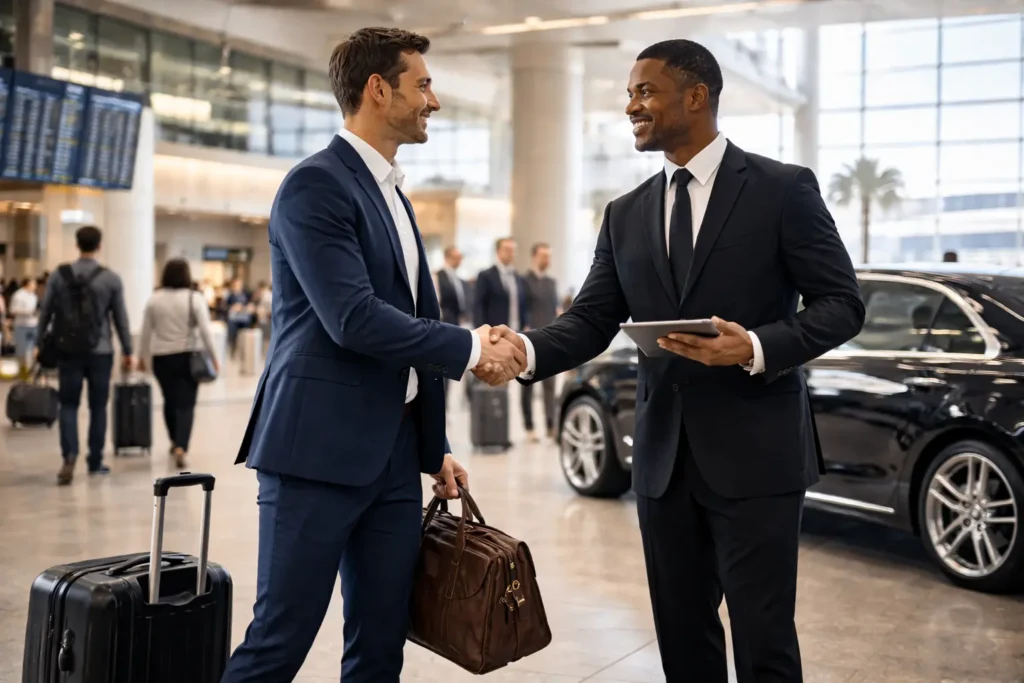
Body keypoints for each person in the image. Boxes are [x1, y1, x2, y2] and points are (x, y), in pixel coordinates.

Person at [486, 40, 865, 683]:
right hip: (662, 464)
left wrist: (756, 346)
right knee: (682, 642)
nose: (630, 105)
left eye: (644, 91)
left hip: (757, 459)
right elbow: (591, 318)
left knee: (764, 641)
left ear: (696, 96)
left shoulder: (781, 189)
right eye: (630, 93)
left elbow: (842, 304)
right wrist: (525, 351)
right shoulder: (626, 212)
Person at [220, 27, 525, 683]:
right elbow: (354, 319)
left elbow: (410, 321)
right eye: (423, 84)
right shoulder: (314, 187)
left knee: (381, 642)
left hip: (391, 459)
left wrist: (431, 444)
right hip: (314, 453)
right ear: (378, 89)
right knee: (280, 641)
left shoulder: (393, 194)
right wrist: (473, 349)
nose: (433, 101)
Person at [36, 226, 134, 485]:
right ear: (99, 246)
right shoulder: (110, 278)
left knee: (68, 404)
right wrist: (128, 350)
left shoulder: (59, 275)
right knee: (98, 407)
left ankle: (69, 456)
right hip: (100, 351)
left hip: (67, 350)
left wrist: (38, 343)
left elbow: (45, 312)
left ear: (77, 245)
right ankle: (95, 461)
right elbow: (120, 319)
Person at [138, 259, 219, 470]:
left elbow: (145, 332)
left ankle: (174, 440)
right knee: (186, 404)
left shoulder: (154, 300)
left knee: (169, 400)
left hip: (161, 358)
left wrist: (141, 357)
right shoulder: (195, 298)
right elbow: (205, 330)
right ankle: (182, 446)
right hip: (186, 357)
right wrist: (214, 356)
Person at [521, 242, 561, 441]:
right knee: (528, 383)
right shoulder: (524, 281)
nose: (547, 260)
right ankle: (529, 427)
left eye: (549, 256)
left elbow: (556, 309)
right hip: (528, 340)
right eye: (544, 255)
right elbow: (520, 309)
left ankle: (551, 425)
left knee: (550, 385)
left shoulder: (552, 283)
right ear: (534, 257)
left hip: (550, 339)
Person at [9, 277, 40, 371]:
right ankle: (22, 371)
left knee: (31, 349)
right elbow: (13, 310)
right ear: (27, 284)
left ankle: (30, 369)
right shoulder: (18, 295)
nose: (35, 286)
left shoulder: (34, 296)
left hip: (33, 325)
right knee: (21, 350)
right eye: (33, 283)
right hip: (21, 325)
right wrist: (28, 312)